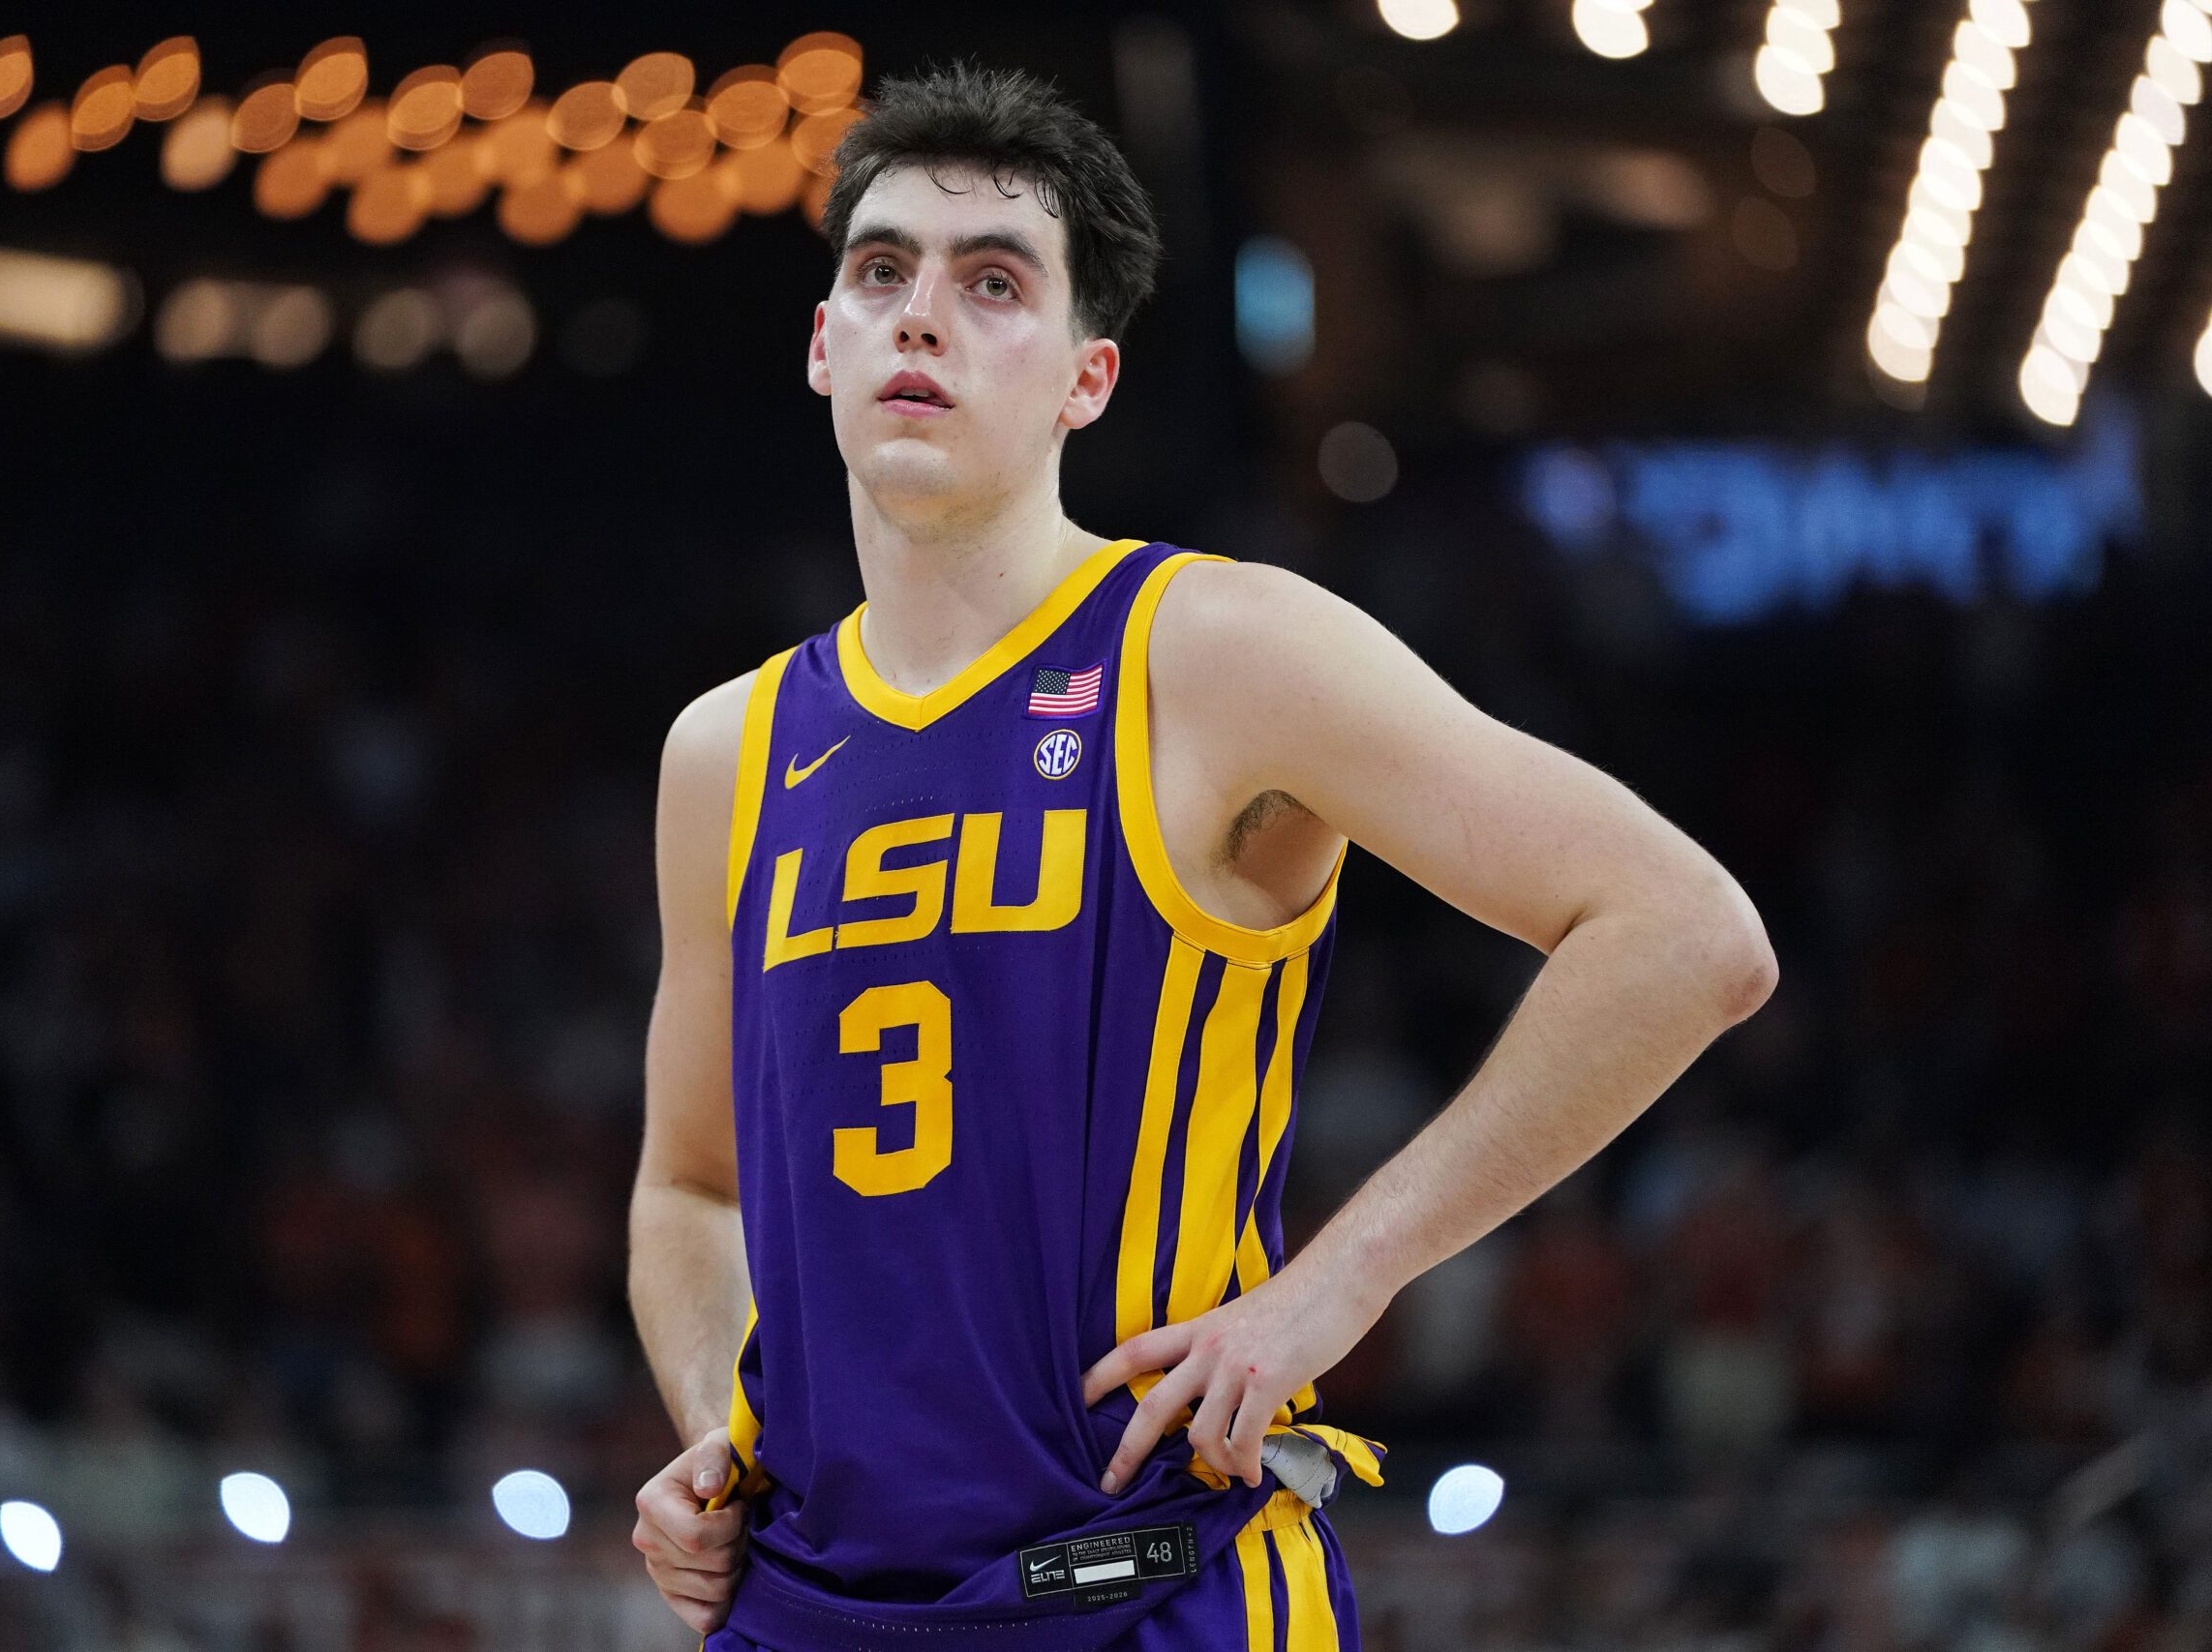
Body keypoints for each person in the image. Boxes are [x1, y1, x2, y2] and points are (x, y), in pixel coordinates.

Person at [627, 60, 1776, 1652]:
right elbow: (689, 1188)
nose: (919, 316)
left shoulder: (1214, 650)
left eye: (992, 284)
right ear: (822, 344)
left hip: (1148, 1586)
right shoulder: (725, 754)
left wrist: (1334, 1286)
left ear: (1086, 381)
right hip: (812, 1603)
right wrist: (710, 1428)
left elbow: (1686, 933)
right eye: (880, 271)